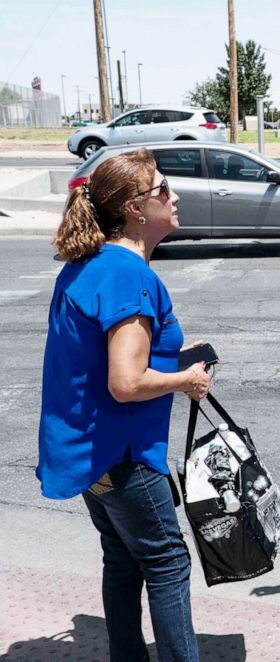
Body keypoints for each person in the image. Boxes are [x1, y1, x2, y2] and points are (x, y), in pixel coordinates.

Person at [38, 148, 211, 661]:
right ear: (135, 208)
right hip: (125, 454)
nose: (173, 195)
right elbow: (126, 382)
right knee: (167, 563)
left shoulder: (88, 265)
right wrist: (186, 379)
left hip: (91, 453)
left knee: (121, 558)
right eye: (163, 189)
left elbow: (103, 358)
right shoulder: (127, 274)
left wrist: (171, 355)